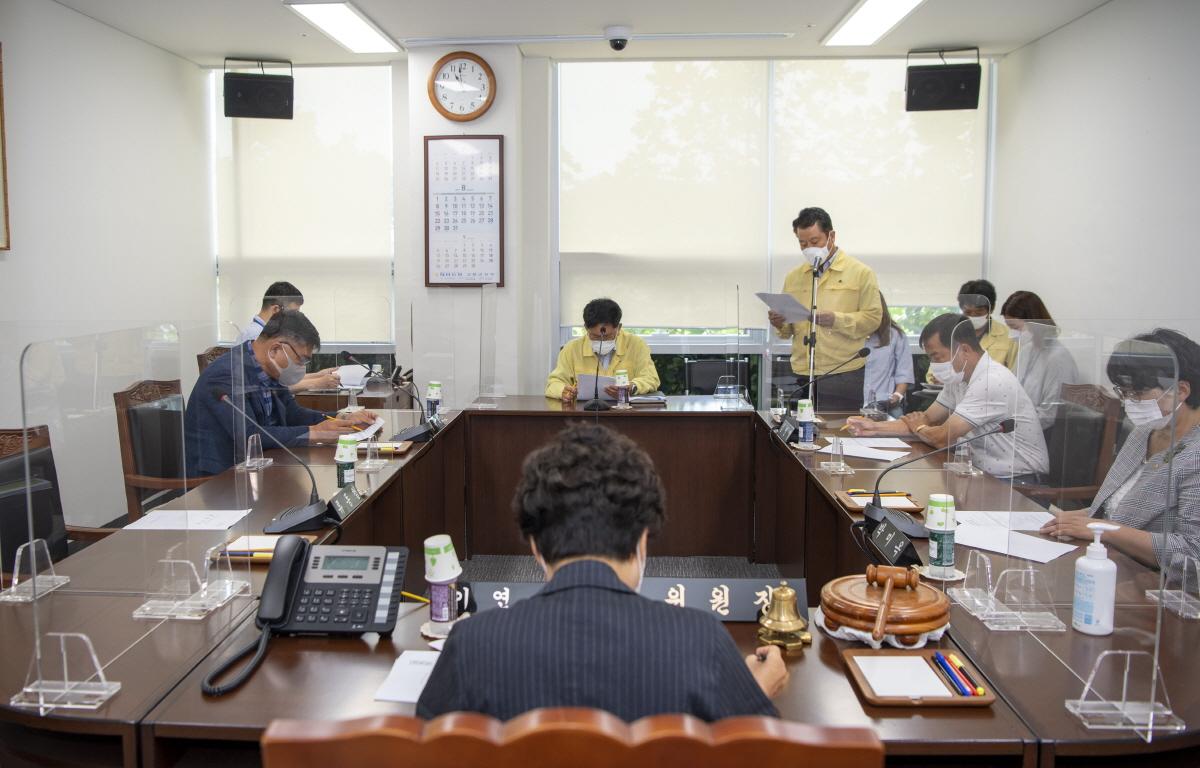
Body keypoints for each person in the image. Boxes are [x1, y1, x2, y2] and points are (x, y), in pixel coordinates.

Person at [416, 422, 788, 722]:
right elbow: (752, 754)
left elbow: (430, 749)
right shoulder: (702, 642)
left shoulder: (471, 644)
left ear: (534, 547)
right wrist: (755, 697)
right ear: (643, 540)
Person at [1040, 329, 1200, 570]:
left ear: (1182, 390)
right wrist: (1081, 518)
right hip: (1109, 562)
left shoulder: (1195, 454)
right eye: (1124, 393)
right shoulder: (1144, 432)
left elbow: (1191, 552)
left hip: (1155, 587)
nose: (1129, 402)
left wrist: (1104, 530)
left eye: (1138, 393)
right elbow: (1117, 508)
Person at [848, 313, 1049, 481]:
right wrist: (872, 427)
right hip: (980, 473)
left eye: (937, 357)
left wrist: (920, 427)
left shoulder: (990, 381)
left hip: (1017, 481)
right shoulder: (959, 378)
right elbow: (927, 419)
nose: (933, 365)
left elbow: (942, 436)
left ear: (964, 350)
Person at [185, 310, 376, 477]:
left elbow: (294, 414)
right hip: (220, 479)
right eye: (300, 360)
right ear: (276, 349)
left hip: (262, 467)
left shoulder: (270, 369)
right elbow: (250, 435)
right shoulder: (226, 374)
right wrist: (314, 432)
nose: (301, 367)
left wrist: (341, 417)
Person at [769, 207, 881, 412]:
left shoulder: (860, 273)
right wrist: (780, 322)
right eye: (802, 243)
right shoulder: (794, 276)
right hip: (803, 370)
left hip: (842, 371)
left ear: (831, 236)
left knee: (835, 433)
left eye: (814, 241)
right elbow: (788, 331)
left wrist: (836, 319)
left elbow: (873, 319)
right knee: (801, 435)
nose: (808, 248)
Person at [545, 298, 660, 403]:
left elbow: (650, 378)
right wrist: (563, 390)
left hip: (625, 413)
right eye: (595, 336)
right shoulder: (572, 348)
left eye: (607, 336)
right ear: (585, 328)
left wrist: (633, 387)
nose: (601, 340)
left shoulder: (636, 345)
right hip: (584, 413)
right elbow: (554, 383)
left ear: (619, 328)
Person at [999, 290, 1081, 430]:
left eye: (1015, 328)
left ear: (1034, 323)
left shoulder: (1058, 358)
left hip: (1041, 435)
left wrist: (1012, 427)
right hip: (1018, 427)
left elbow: (1049, 415)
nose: (1012, 335)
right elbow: (1010, 390)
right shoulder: (1027, 349)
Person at [238, 282, 340, 392]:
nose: (297, 318)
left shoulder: (264, 332)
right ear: (276, 310)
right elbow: (269, 387)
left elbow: (278, 377)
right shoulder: (256, 336)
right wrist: (316, 383)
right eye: (294, 312)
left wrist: (317, 375)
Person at [947, 279, 1018, 373]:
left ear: (991, 309)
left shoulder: (1009, 337)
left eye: (979, 312)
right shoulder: (951, 333)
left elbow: (1014, 373)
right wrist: (937, 378)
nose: (972, 316)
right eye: (967, 312)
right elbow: (935, 369)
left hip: (994, 386)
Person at [862, 292, 915, 418]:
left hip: (885, 406)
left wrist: (896, 397)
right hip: (848, 405)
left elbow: (904, 374)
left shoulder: (895, 335)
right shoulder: (847, 335)